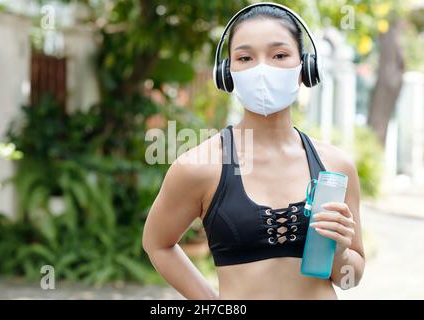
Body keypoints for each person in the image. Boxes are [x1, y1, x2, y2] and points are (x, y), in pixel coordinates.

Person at [142, 3, 365, 300]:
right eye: (245, 57)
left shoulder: (335, 166)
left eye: (280, 55)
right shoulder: (200, 166)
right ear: (227, 73)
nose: (262, 69)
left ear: (305, 68)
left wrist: (338, 251)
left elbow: (351, 279)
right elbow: (157, 243)